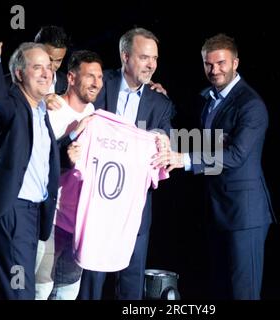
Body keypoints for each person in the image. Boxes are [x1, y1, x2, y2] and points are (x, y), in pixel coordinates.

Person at [167, 34, 275, 299]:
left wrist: (186, 159)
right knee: (220, 289)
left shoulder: (251, 104)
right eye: (208, 64)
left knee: (243, 293)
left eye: (221, 63)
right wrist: (161, 95)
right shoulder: (207, 97)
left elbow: (236, 155)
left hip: (244, 214)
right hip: (216, 210)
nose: (214, 70)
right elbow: (198, 136)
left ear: (236, 62)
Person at [78, 27, 175, 300]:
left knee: (131, 286)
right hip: (94, 204)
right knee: (89, 282)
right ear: (125, 56)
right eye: (144, 57)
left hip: (135, 208)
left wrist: (162, 139)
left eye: (154, 58)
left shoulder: (159, 102)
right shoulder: (98, 84)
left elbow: (165, 133)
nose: (152, 65)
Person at [0, 42, 60, 299]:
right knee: (20, 290)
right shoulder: (11, 104)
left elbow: (37, 156)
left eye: (49, 67)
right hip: (13, 212)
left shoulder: (41, 109)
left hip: (31, 215)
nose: (47, 73)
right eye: (38, 67)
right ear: (20, 74)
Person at [35, 50, 103, 300]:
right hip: (51, 221)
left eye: (99, 77)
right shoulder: (52, 110)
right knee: (39, 289)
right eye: (90, 76)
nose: (96, 82)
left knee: (67, 292)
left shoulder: (97, 115)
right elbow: (37, 161)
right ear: (72, 78)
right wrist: (71, 138)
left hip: (80, 225)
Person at [34, 25, 70, 94]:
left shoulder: (69, 85)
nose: (52, 66)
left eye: (58, 60)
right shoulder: (10, 84)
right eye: (48, 59)